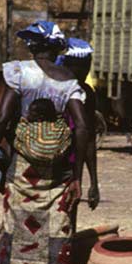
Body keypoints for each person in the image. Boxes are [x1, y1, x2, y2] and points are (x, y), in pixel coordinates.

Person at [0, 21, 93, 264]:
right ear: (57, 49)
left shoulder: (20, 73)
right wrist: (78, 177)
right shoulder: (69, 80)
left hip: (23, 172)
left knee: (18, 232)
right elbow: (82, 127)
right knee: (58, 235)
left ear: (32, 46)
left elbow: (3, 118)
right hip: (58, 173)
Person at [56, 37, 100, 209]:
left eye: (87, 64)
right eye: (79, 65)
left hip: (72, 164)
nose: (84, 70)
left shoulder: (87, 93)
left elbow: (89, 139)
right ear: (67, 64)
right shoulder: (53, 87)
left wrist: (94, 183)